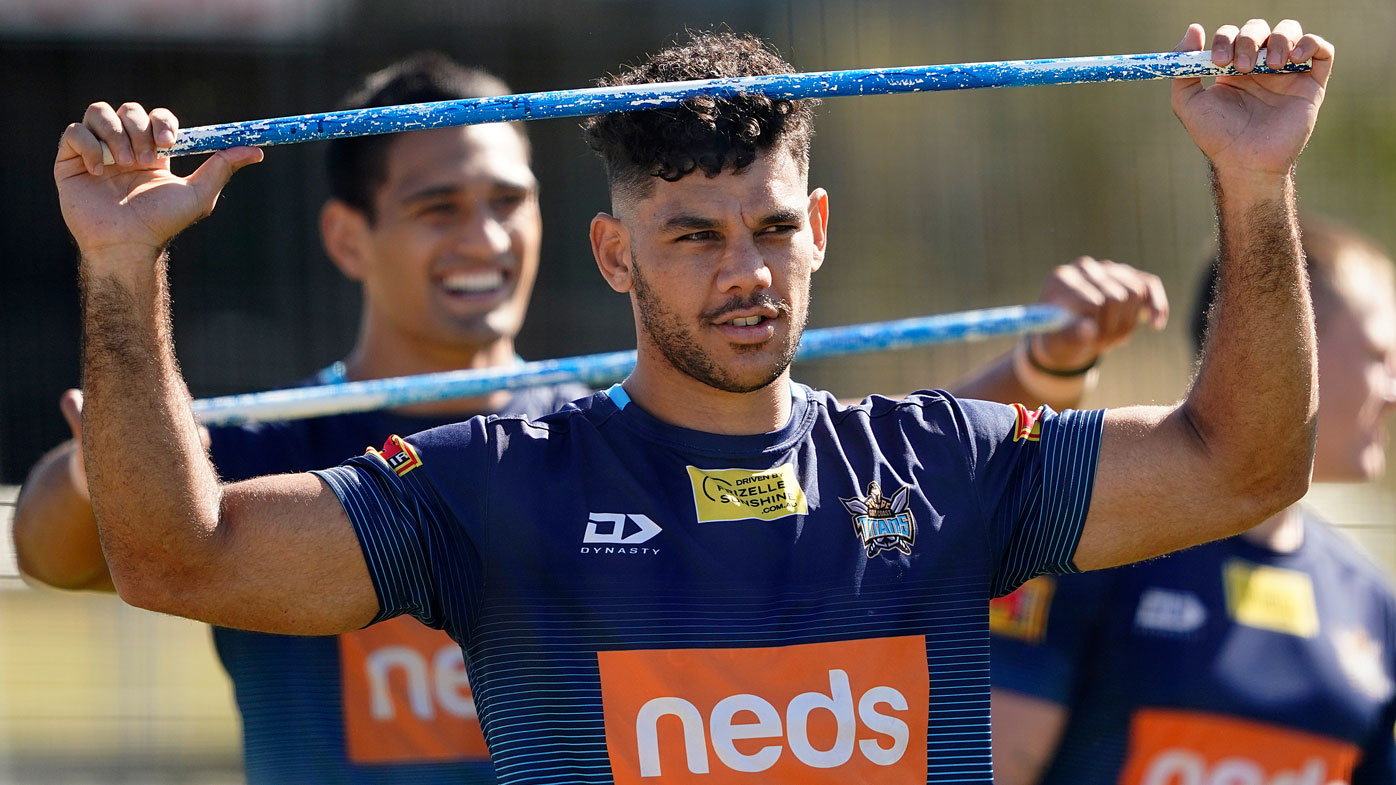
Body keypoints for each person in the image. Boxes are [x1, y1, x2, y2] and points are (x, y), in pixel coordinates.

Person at [50, 19, 1329, 783]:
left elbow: (1246, 464)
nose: (743, 274)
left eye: (772, 228)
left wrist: (1253, 180)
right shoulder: (500, 479)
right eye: (692, 235)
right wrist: (122, 266)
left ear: (818, 228)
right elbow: (175, 556)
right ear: (614, 258)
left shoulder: (938, 462)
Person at [17, 53, 591, 784]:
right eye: (438, 207)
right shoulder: (257, 446)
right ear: (347, 237)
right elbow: (48, 555)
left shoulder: (604, 436)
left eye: (508, 201)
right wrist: (100, 457)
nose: (485, 239)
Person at [989, 216, 1396, 785]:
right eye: (1379, 355)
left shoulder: (1373, 603)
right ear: (1288, 349)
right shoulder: (1089, 547)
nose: (1393, 392)